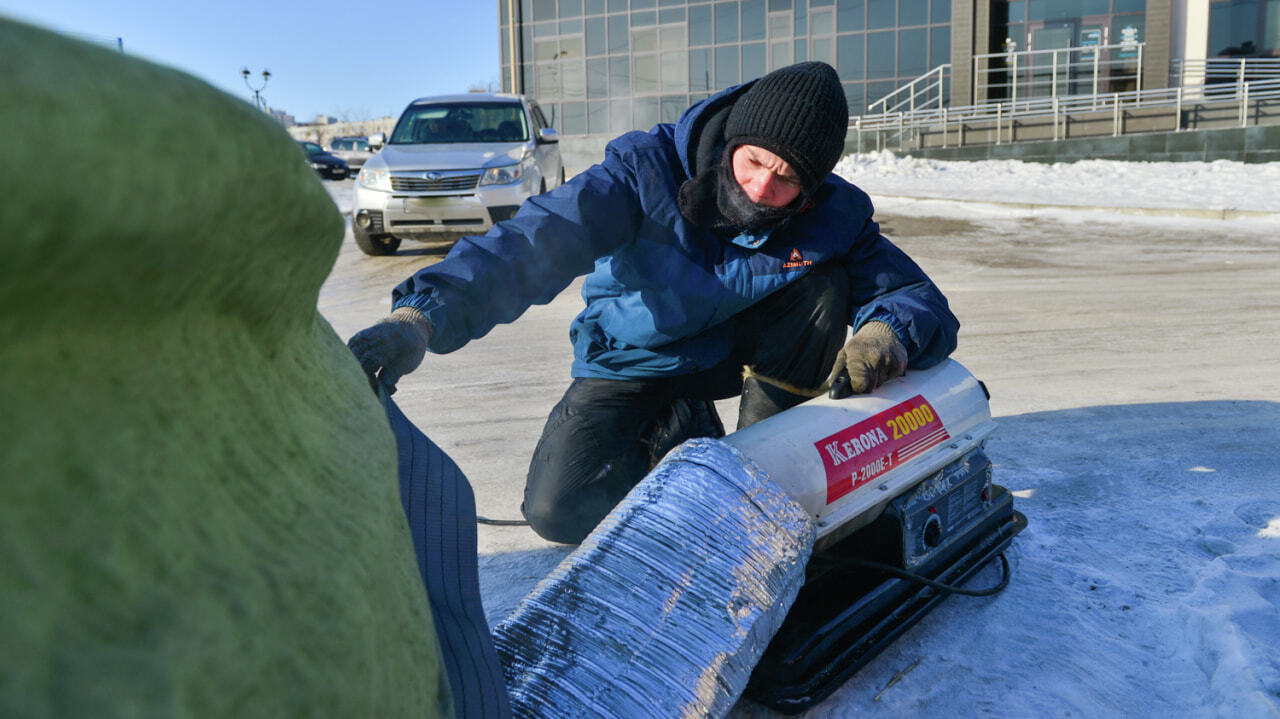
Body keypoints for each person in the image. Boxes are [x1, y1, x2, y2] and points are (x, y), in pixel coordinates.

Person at [348, 62, 959, 544]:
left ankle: (764, 461)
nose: (762, 188)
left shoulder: (836, 213)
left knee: (826, 286)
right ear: (730, 144)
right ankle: (683, 427)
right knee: (558, 512)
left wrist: (886, 333)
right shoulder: (642, 171)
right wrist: (422, 315)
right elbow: (531, 242)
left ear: (813, 185)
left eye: (787, 179)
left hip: (740, 357)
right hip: (635, 358)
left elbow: (912, 294)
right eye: (753, 163)